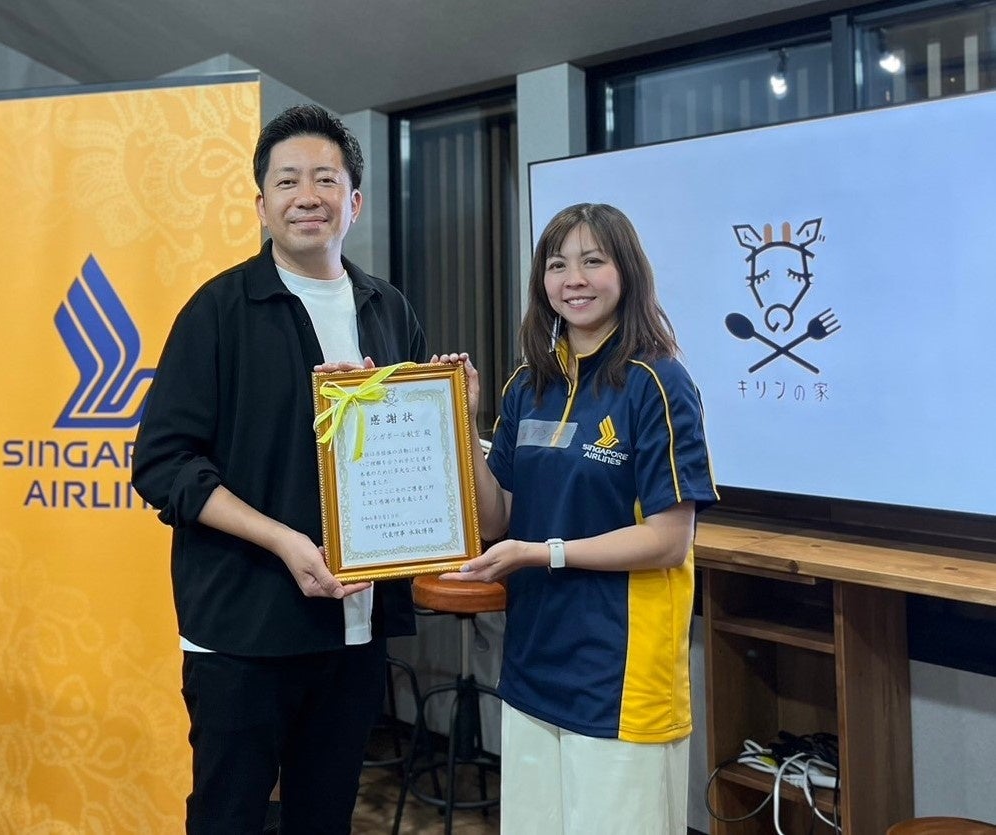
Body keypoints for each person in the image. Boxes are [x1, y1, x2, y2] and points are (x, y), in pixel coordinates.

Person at [132, 104, 427, 834]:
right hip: (243, 627)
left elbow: (412, 453)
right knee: (228, 816)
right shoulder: (219, 309)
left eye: (326, 179)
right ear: (261, 204)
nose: (307, 196)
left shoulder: (387, 309)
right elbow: (164, 464)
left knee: (324, 816)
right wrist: (284, 541)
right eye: (287, 180)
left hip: (353, 627)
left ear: (354, 202)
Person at [437, 202, 719, 834]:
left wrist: (544, 553)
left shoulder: (658, 382)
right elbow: (497, 518)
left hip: (620, 673)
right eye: (558, 265)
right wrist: (462, 421)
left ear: (627, 272)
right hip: (534, 661)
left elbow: (668, 541)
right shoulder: (527, 385)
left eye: (593, 261)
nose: (574, 280)